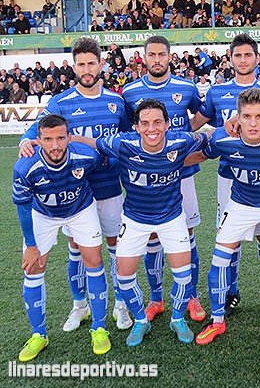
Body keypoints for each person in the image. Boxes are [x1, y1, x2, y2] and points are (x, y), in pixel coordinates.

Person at [73, 99, 211, 346]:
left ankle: (177, 318)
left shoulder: (181, 140)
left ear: (167, 124)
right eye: (145, 123)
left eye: (158, 122)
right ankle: (140, 320)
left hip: (171, 218)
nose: (152, 128)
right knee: (124, 276)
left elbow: (206, 138)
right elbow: (93, 143)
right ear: (135, 126)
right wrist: (66, 139)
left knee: (183, 275)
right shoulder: (122, 143)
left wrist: (230, 127)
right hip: (135, 220)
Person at [18, 37, 132, 333]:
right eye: (80, 64)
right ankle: (80, 305)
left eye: (91, 63)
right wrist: (23, 143)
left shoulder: (116, 102)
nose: (86, 69)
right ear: (74, 66)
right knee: (76, 250)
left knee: (114, 248)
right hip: (72, 192)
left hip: (107, 187)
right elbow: (34, 131)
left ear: (101, 64)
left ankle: (120, 304)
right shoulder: (60, 102)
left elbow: (124, 141)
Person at [189, 88, 260, 345]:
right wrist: (167, 163)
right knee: (219, 259)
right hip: (241, 204)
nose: (253, 123)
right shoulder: (223, 138)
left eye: (259, 117)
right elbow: (200, 154)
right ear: (237, 117)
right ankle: (217, 320)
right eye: (247, 116)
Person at [192, 33, 260, 318]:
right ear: (230, 59)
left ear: (257, 59)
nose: (243, 60)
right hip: (228, 177)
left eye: (248, 55)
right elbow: (195, 125)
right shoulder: (216, 92)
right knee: (229, 238)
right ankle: (231, 291)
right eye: (238, 55)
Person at [121, 35, 207, 325]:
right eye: (151, 55)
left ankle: (191, 295)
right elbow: (128, 129)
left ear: (170, 57)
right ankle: (156, 299)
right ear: (144, 58)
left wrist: (182, 142)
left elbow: (199, 117)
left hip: (181, 173)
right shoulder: (130, 91)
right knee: (152, 237)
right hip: (148, 174)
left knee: (188, 234)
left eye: (161, 54)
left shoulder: (186, 87)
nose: (156, 59)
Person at [14, 114, 112, 361]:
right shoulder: (25, 166)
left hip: (80, 209)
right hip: (43, 215)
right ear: (38, 140)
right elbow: (23, 209)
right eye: (48, 139)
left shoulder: (84, 155)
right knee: (33, 268)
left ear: (69, 137)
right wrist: (31, 245)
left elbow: (106, 161)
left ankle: (99, 327)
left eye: (60, 138)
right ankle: (39, 335)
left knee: (93, 260)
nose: (55, 145)